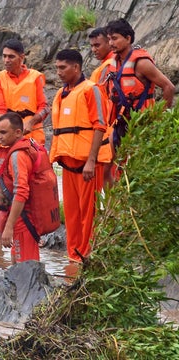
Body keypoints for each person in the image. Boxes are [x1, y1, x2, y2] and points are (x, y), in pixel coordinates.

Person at [49, 49, 112, 264]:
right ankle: (73, 259)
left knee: (89, 214)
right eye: (57, 68)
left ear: (76, 67)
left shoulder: (91, 90)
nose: (58, 72)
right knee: (73, 214)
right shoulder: (61, 94)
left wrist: (91, 161)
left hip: (87, 165)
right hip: (68, 164)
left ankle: (87, 258)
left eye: (63, 67)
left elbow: (100, 125)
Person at [105, 18, 175, 151]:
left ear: (128, 38)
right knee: (116, 165)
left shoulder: (141, 63)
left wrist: (160, 120)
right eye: (109, 39)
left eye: (114, 38)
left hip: (143, 124)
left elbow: (169, 87)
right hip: (121, 123)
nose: (111, 43)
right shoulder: (115, 63)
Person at [0, 112, 40, 263]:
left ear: (18, 132)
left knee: (25, 270)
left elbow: (21, 192)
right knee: (16, 264)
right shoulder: (23, 147)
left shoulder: (18, 155)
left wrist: (9, 227)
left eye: (3, 132)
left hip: (24, 221)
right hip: (21, 218)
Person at [0, 38, 50, 145]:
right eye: (4, 56)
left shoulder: (36, 77)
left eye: (11, 56)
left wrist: (30, 123)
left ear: (22, 57)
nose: (6, 60)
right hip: (6, 137)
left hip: (32, 137)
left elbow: (44, 108)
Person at [88, 27, 116, 186]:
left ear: (109, 42)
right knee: (108, 171)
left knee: (107, 171)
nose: (93, 49)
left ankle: (116, 209)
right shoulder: (109, 64)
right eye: (92, 46)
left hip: (109, 126)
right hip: (108, 124)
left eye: (97, 45)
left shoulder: (109, 66)